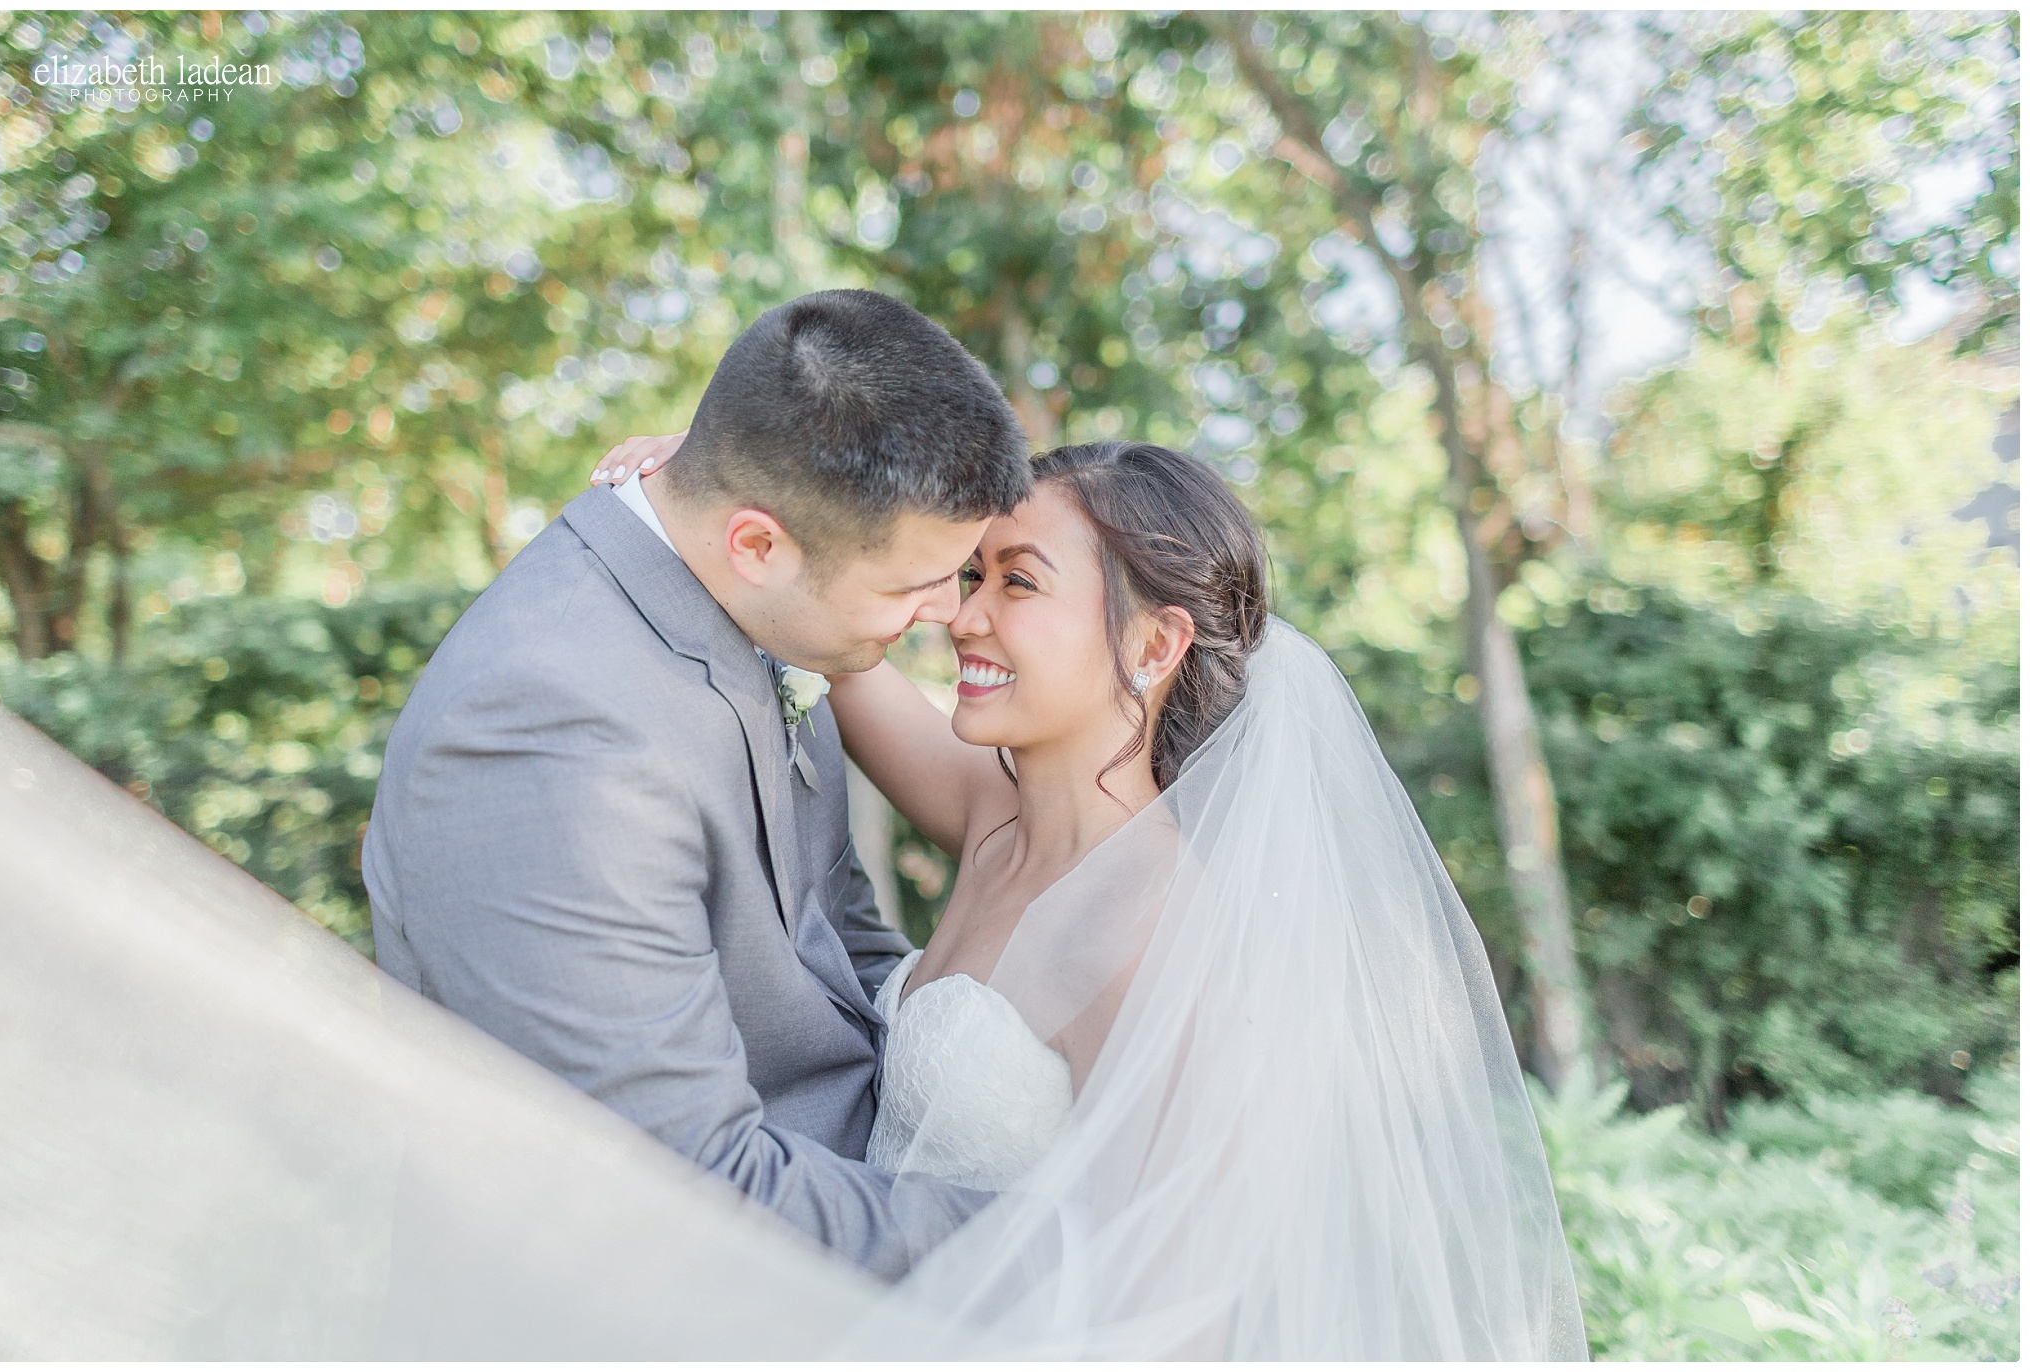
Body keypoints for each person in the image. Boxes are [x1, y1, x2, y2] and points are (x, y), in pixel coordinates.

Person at [598, 437, 1588, 1357]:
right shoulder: (993, 815)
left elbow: (1175, 1313)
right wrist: (704, 490)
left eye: (1017, 580)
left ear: (1155, 644)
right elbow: (835, 633)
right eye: (970, 574)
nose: (961, 614)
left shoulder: (1160, 934)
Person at [364, 289, 1030, 1279]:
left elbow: (830, 938)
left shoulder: (732, 602)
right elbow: (678, 1195)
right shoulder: (549, 732)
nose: (944, 611)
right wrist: (1058, 1232)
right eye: (911, 584)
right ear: (757, 545)